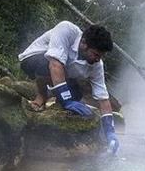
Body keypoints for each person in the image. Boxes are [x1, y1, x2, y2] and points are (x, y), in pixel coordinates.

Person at [17, 21, 119, 154]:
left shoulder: (96, 65)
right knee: (47, 64)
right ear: (84, 44)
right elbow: (54, 64)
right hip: (33, 59)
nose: (97, 59)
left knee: (76, 94)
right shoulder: (67, 30)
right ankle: (42, 96)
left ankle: (55, 101)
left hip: (61, 72)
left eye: (101, 56)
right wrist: (66, 100)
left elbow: (103, 98)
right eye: (95, 54)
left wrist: (110, 132)